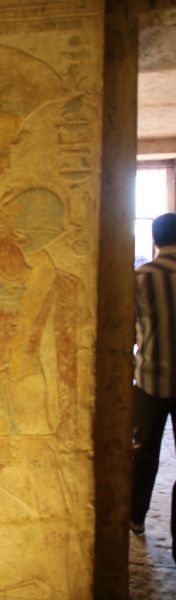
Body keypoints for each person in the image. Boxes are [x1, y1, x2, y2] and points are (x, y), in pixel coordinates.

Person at [130, 213, 176, 557]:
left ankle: (135, 518)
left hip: (149, 381)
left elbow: (126, 333)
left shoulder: (142, 278)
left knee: (143, 453)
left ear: (155, 240)